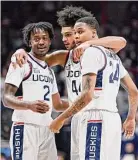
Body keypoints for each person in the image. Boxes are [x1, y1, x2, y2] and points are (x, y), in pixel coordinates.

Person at [10, 6, 127, 160]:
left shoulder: (97, 52)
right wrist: (21, 51)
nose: (64, 39)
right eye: (63, 34)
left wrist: (89, 43)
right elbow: (35, 60)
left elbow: (121, 41)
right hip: (78, 115)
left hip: (95, 113)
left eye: (69, 34)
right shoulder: (64, 56)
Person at [49, 16, 138, 160]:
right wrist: (130, 118)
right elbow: (134, 91)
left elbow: (87, 95)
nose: (76, 36)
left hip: (95, 118)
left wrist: (61, 118)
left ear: (93, 32)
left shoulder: (91, 52)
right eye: (75, 33)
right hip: (112, 118)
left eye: (80, 31)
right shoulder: (114, 57)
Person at [2, 22, 69, 160]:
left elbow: (57, 105)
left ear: (50, 41)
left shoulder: (50, 71)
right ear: (29, 41)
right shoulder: (21, 61)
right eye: (36, 38)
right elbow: (6, 98)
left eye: (44, 38)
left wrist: (82, 103)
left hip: (47, 129)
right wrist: (29, 105)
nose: (41, 42)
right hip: (25, 127)